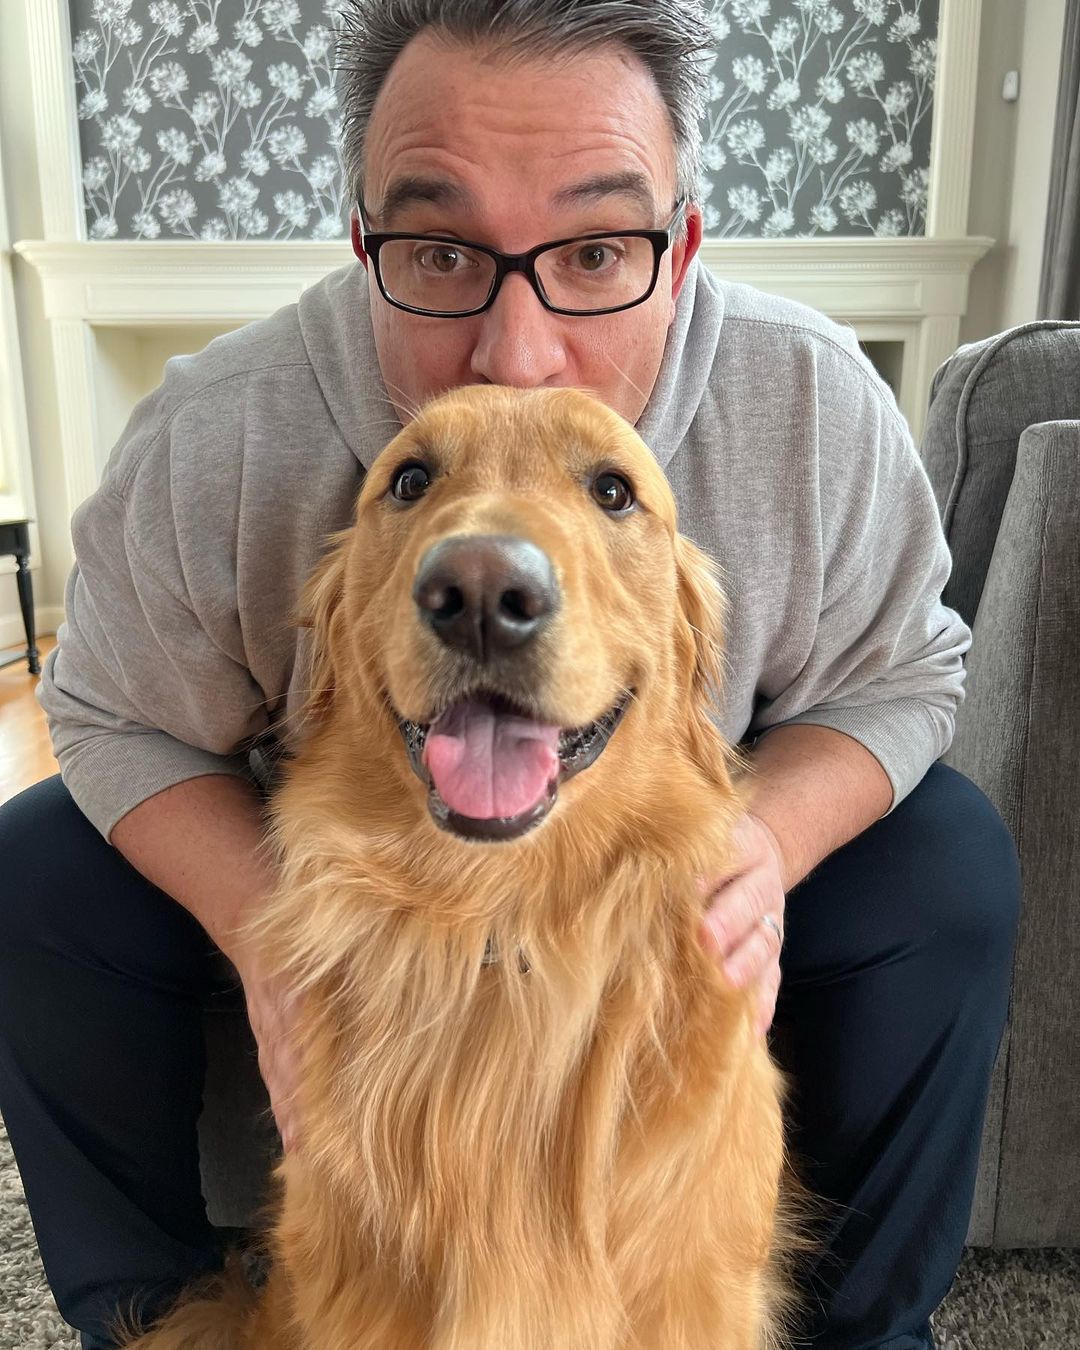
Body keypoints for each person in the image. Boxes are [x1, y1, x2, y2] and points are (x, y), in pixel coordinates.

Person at [0, 3, 1020, 1348]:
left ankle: (865, 1332)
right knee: (37, 866)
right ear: (364, 248)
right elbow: (108, 710)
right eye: (438, 249)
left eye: (598, 249)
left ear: (682, 250)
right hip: (360, 907)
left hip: (664, 915)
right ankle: (133, 1313)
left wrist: (762, 846)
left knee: (945, 857)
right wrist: (274, 937)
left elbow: (904, 678)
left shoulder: (815, 403)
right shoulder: (218, 433)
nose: (517, 347)